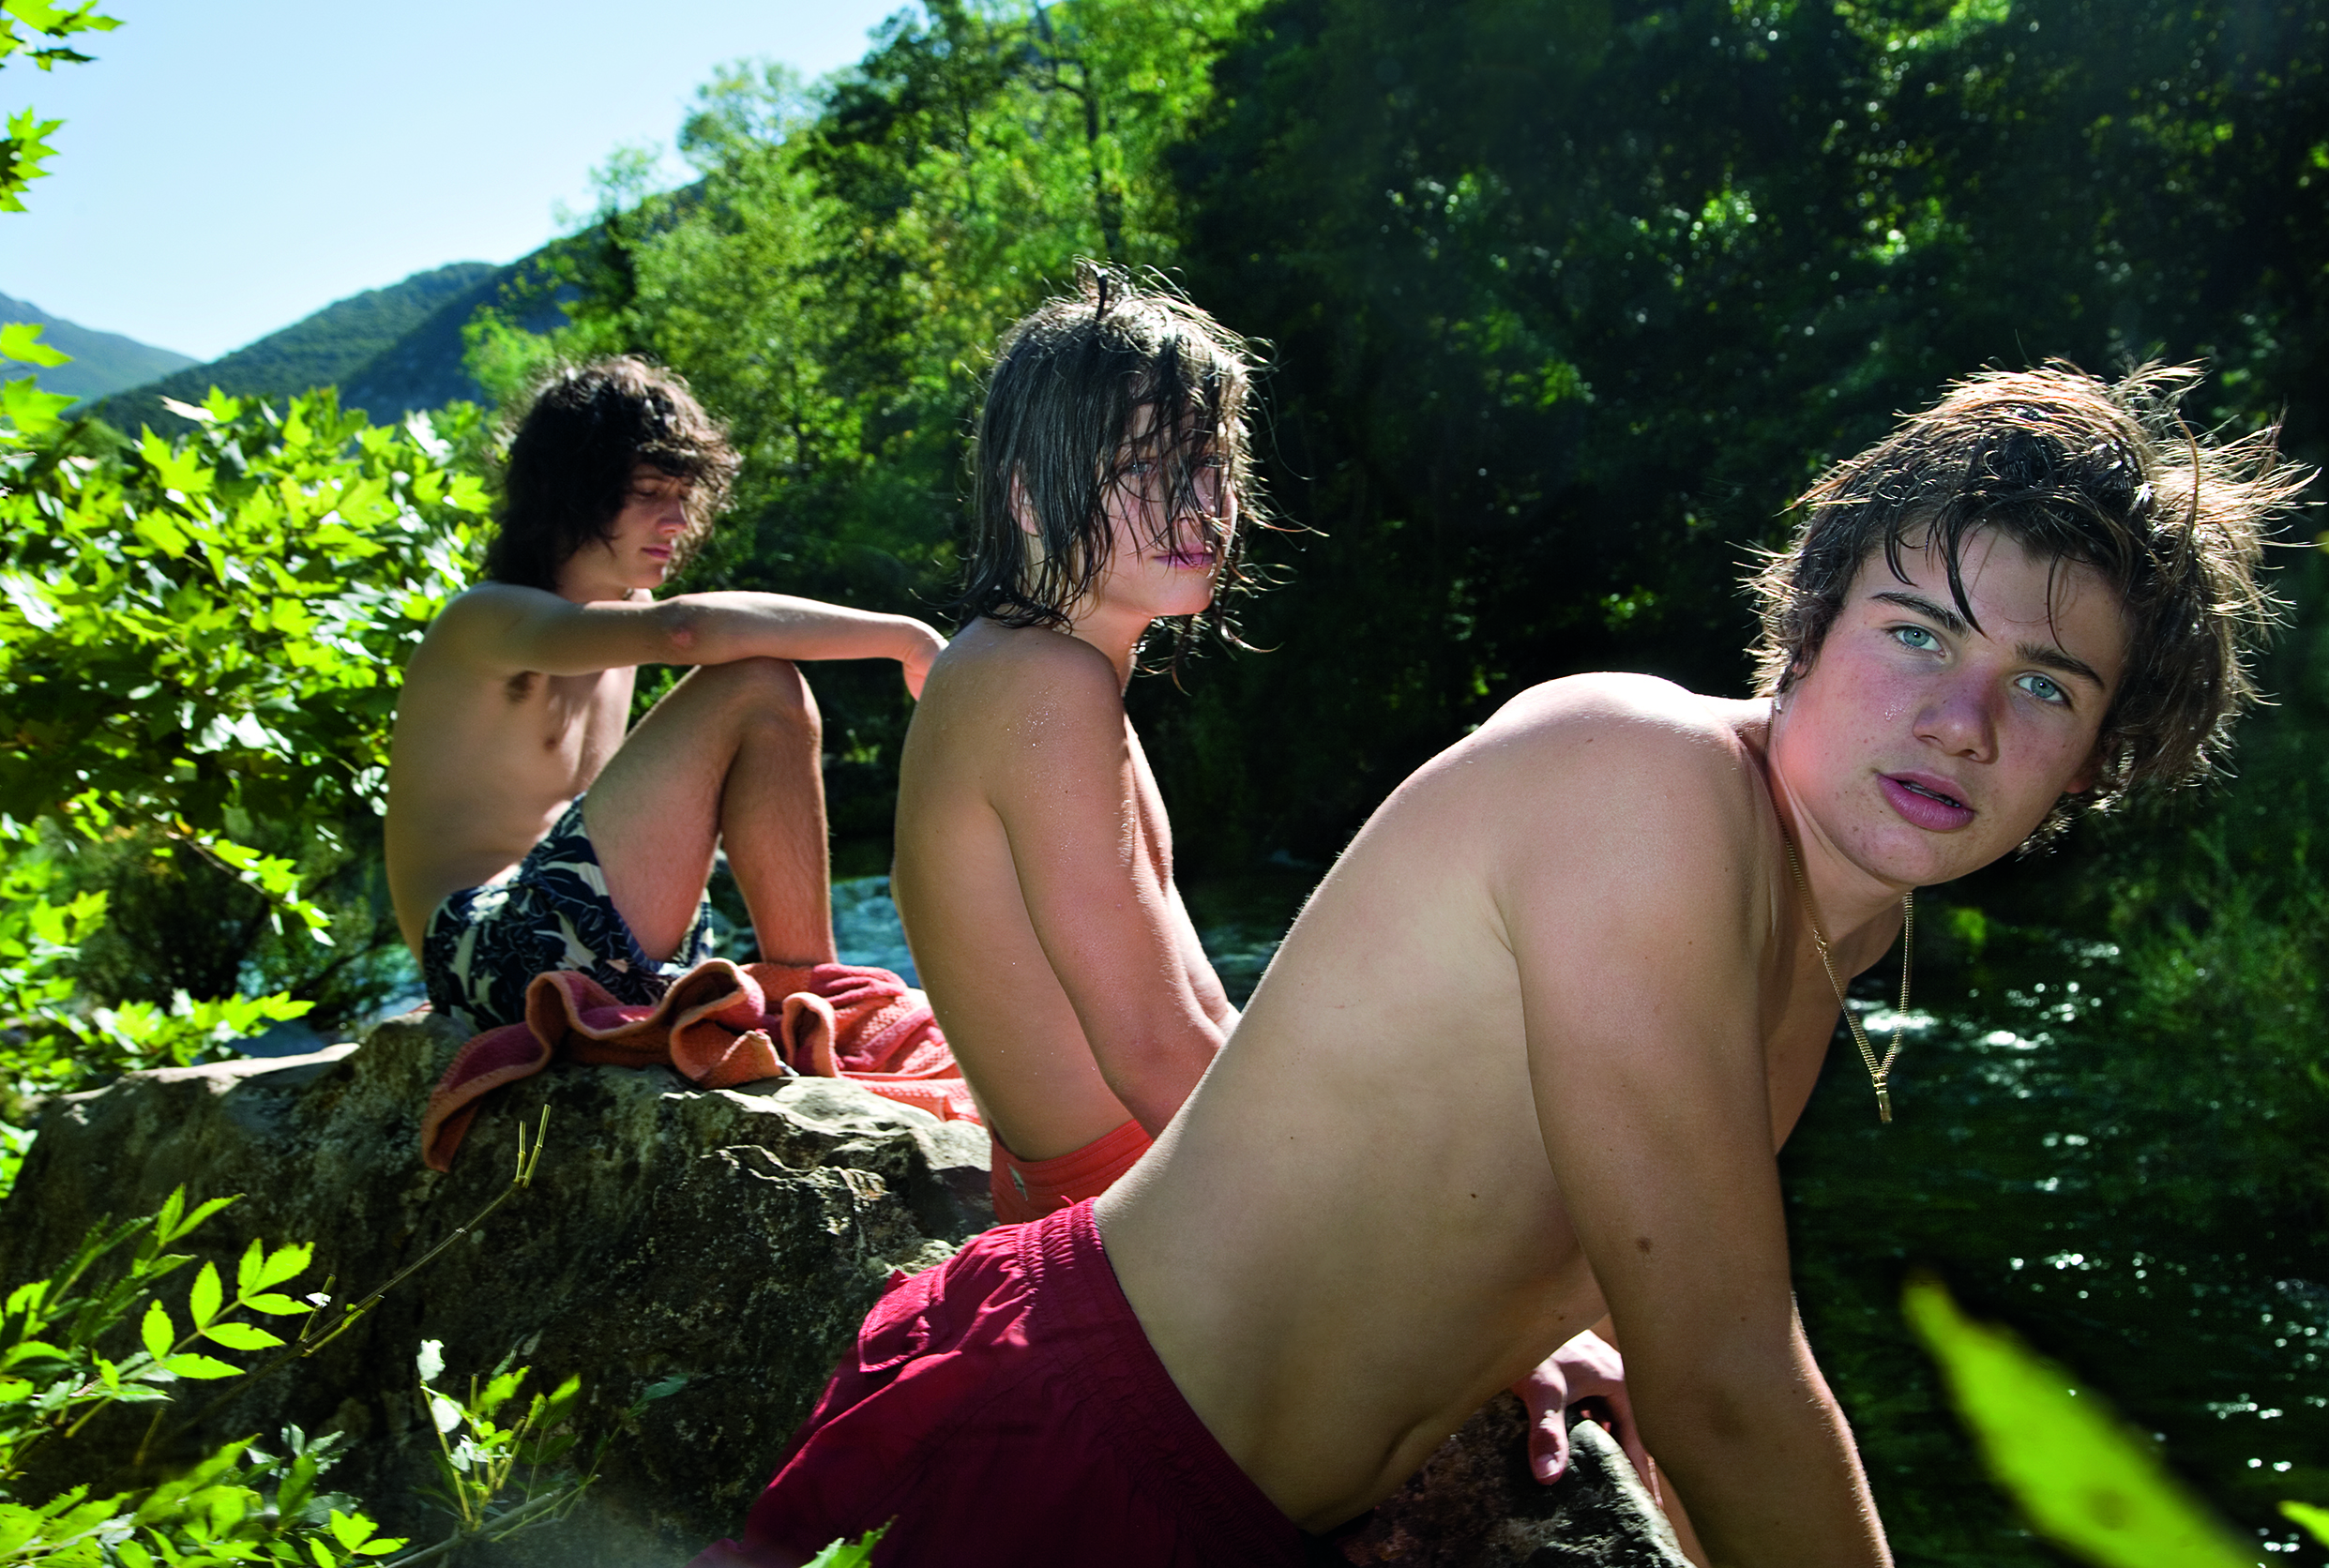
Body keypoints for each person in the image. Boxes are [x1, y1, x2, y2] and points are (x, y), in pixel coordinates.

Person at [699, 361, 2301, 1568]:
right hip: (1097, 1447)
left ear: (2094, 758)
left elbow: (1626, 1277)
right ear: (1804, 626)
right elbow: (1728, 1374)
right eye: (1916, 633)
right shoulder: (1640, 775)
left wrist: (1532, 1329)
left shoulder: (1835, 927)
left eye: (2043, 685)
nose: (1960, 720)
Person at [386, 356, 945, 1034]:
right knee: (755, 681)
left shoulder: (628, 611)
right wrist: (909, 640)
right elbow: (685, 631)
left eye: (684, 496)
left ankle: (811, 996)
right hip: (482, 955)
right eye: (650, 492)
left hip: (596, 932)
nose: (676, 520)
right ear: (570, 492)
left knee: (760, 682)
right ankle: (819, 994)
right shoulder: (487, 619)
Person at [887, 270, 1263, 1224]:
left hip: (1078, 1173)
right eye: (1138, 468)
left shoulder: (1019, 664)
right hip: (1128, 1195)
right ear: (1026, 501)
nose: (1193, 499)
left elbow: (1200, 1009)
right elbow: (1153, 1048)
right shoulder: (1046, 685)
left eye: (1206, 459)